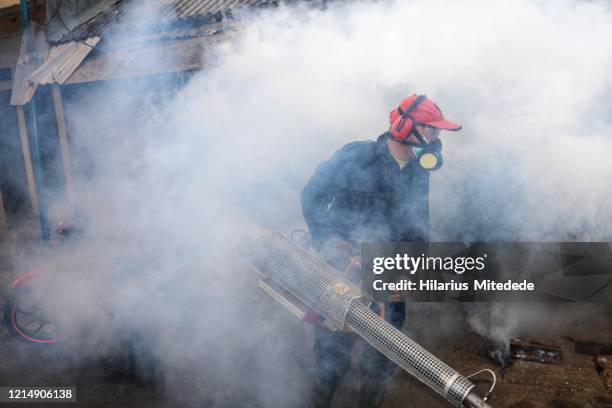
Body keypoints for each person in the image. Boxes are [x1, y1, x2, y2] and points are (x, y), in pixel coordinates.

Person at [301, 94, 462, 408]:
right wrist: (332, 245)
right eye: (431, 130)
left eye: (438, 133)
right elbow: (312, 196)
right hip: (342, 274)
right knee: (331, 360)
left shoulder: (419, 169)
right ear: (404, 126)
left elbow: (418, 227)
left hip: (389, 276)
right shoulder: (355, 157)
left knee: (381, 362)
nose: (435, 139)